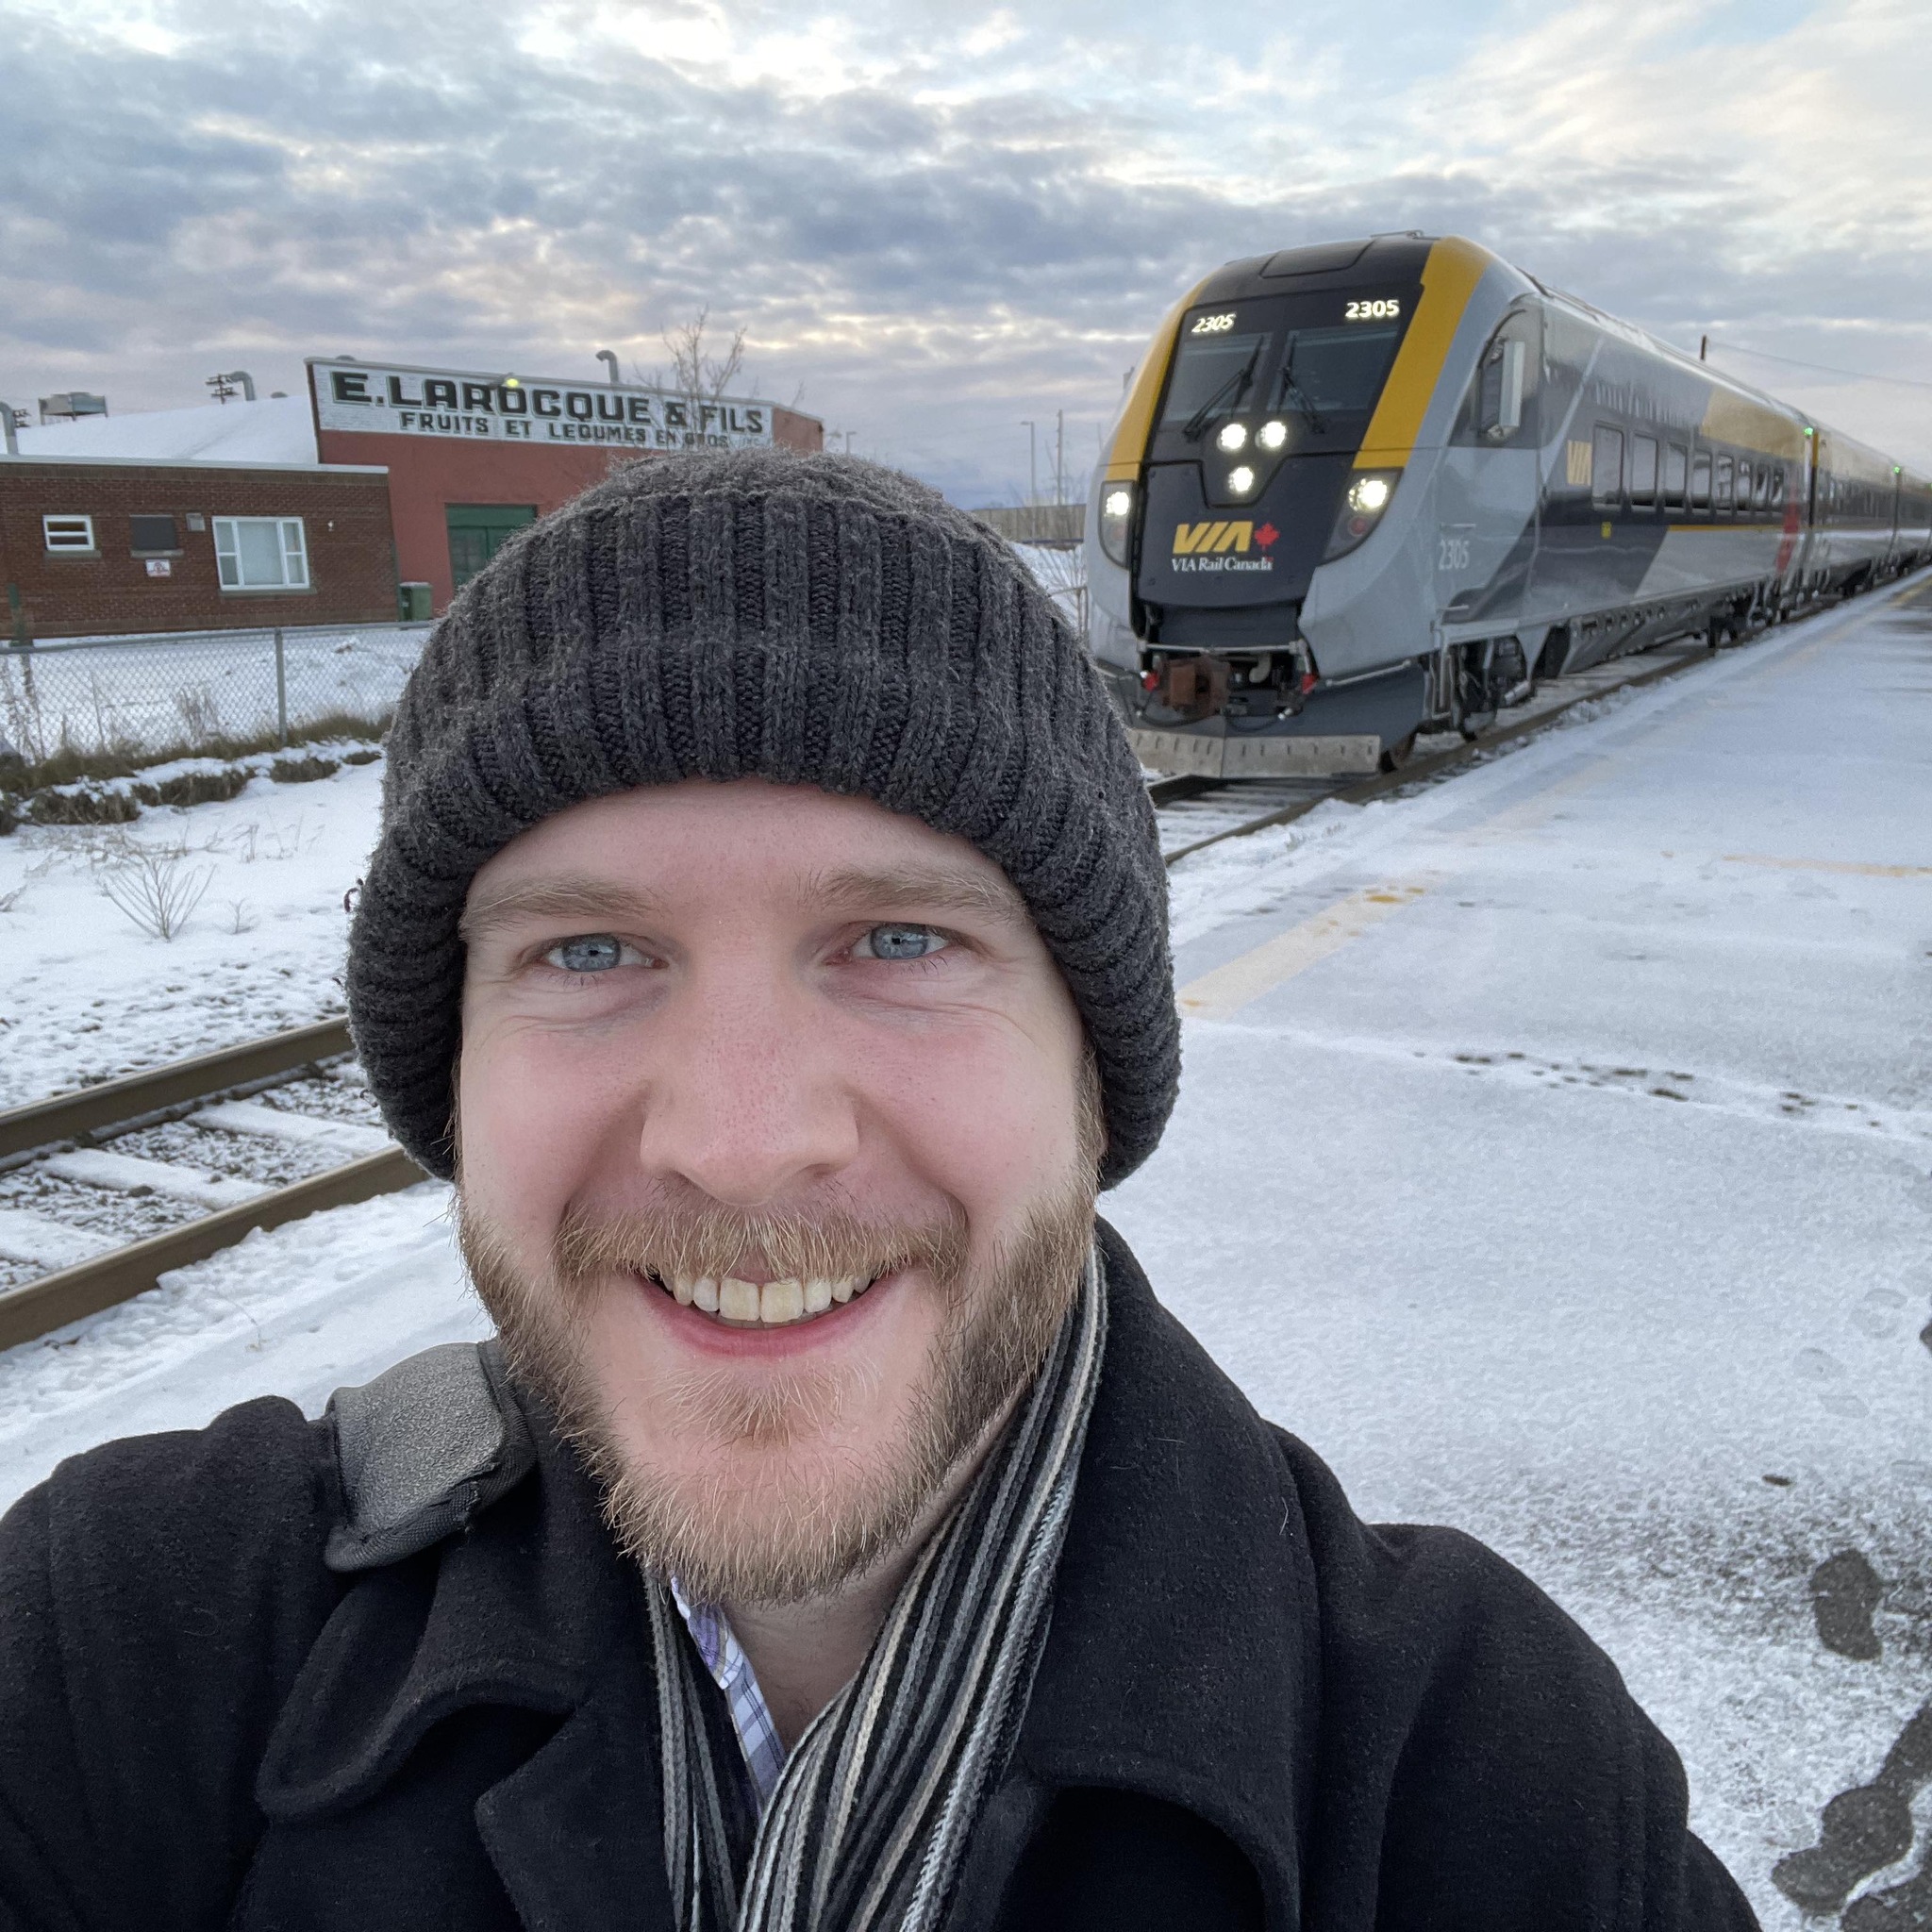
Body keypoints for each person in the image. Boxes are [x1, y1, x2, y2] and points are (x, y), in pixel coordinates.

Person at [0, 451, 1757, 1931]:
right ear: (451, 1066)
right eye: (590, 948)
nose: (743, 1140)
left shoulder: (1485, 1779)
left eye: (901, 939)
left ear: (1094, 1070)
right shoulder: (134, 1637)